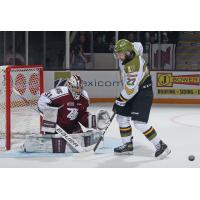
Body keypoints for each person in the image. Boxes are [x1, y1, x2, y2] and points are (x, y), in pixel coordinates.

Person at [112, 39, 171, 158]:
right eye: (116, 53)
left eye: (120, 54)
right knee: (121, 117)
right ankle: (127, 145)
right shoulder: (132, 49)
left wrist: (119, 101)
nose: (118, 56)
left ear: (128, 52)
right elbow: (138, 45)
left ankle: (161, 146)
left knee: (139, 123)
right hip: (133, 89)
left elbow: (130, 90)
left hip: (143, 92)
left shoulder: (134, 66)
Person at [37, 74, 110, 153]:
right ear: (70, 86)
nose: (78, 90)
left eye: (80, 88)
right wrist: (49, 115)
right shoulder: (60, 92)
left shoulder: (84, 97)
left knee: (81, 143)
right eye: (76, 87)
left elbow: (82, 114)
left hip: (73, 126)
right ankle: (49, 135)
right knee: (53, 145)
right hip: (56, 126)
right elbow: (42, 99)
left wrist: (94, 121)